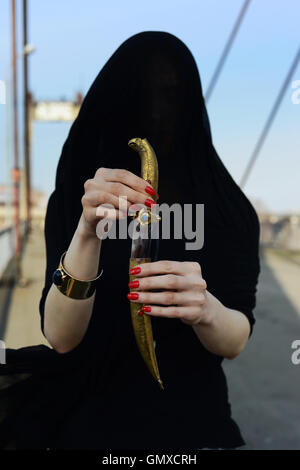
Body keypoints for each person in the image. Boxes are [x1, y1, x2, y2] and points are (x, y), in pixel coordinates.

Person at [0, 31, 260, 450]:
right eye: (143, 96)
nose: (157, 113)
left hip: (194, 430)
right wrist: (86, 232)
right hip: (90, 427)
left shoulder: (227, 208)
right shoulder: (74, 196)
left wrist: (206, 309)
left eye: (171, 95)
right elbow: (62, 337)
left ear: (191, 104)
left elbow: (236, 339)